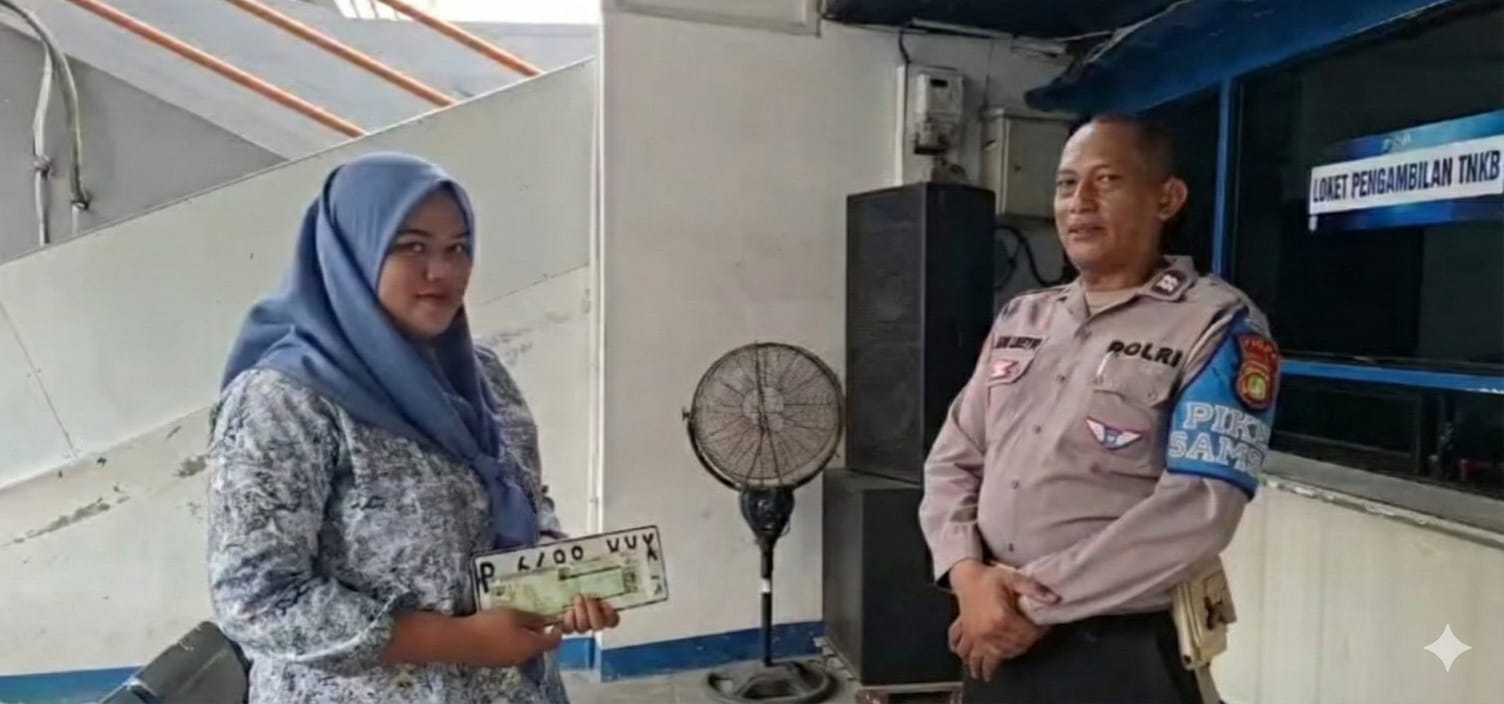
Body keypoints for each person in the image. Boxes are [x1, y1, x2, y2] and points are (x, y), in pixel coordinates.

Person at [206, 152, 619, 704]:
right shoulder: (287, 400)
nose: (441, 271)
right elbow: (256, 598)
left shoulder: (482, 375)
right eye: (412, 247)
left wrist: (556, 575)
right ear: (353, 253)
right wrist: (460, 641)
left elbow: (524, 495)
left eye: (458, 248)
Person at [919, 114, 1280, 703]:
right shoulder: (1023, 317)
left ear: (1167, 198)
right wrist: (966, 575)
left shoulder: (1217, 324)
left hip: (1118, 650)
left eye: (1106, 180)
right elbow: (953, 459)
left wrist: (1029, 605)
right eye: (1066, 184)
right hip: (992, 633)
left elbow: (1199, 509)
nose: (1079, 202)